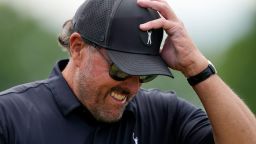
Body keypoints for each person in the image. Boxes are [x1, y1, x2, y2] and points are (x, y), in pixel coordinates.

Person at [0, 0, 255, 143]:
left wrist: (196, 67)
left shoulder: (163, 116)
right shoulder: (9, 117)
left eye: (144, 75)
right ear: (77, 48)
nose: (132, 87)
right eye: (120, 70)